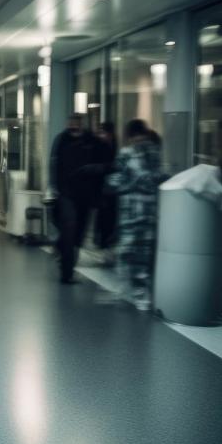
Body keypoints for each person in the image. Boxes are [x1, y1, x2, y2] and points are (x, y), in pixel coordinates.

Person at [105, 119, 166, 310]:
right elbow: (159, 178)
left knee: (126, 251)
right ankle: (143, 296)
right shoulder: (156, 153)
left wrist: (111, 182)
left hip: (131, 212)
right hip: (150, 213)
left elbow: (118, 181)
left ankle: (122, 291)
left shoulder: (126, 153)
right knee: (144, 255)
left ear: (129, 135)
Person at [49, 113, 99, 284]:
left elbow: (102, 161)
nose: (73, 126)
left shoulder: (90, 140)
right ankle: (67, 273)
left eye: (76, 123)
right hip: (66, 194)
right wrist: (56, 188)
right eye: (71, 122)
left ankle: (61, 248)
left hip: (85, 195)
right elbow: (54, 164)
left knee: (78, 235)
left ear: (81, 124)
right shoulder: (61, 140)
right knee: (69, 232)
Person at [92, 121, 118, 257]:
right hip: (104, 187)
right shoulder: (104, 145)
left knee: (107, 216)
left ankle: (104, 242)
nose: (104, 135)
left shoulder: (111, 145)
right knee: (104, 215)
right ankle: (102, 242)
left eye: (105, 132)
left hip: (109, 187)